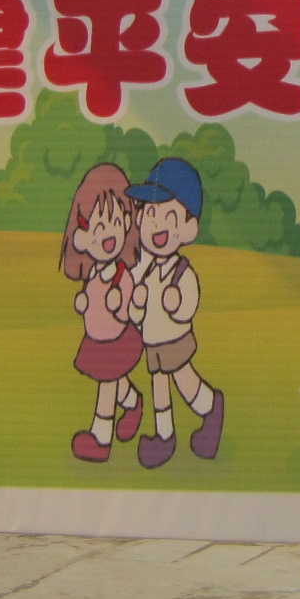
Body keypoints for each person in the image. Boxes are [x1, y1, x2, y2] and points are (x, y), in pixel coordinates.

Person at [126, 157, 224, 468]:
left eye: (169, 216)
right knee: (159, 386)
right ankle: (164, 436)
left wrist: (177, 303)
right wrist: (136, 303)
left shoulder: (181, 270)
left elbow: (189, 302)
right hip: (152, 342)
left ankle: (210, 407)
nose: (157, 225)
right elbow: (136, 315)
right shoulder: (144, 269)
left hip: (175, 340)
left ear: (189, 227)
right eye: (151, 213)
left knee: (185, 381)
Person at [60, 163, 144, 462]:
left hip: (117, 340)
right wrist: (84, 302)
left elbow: (127, 308)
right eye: (98, 226)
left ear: (127, 222)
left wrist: (119, 305)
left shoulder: (122, 275)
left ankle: (100, 438)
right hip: (96, 339)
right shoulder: (95, 270)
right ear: (82, 236)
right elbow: (91, 298)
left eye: (115, 221)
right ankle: (133, 403)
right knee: (114, 381)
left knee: (107, 386)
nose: (108, 234)